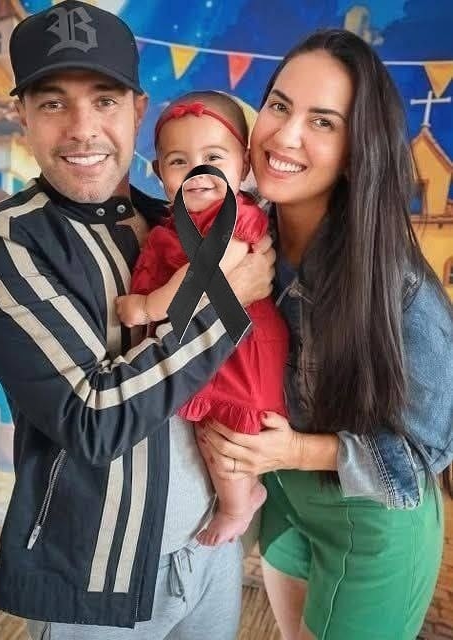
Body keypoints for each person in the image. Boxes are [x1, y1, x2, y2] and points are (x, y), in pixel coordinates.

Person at [0, 2, 275, 639]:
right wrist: (224, 303)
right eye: (53, 103)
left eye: (104, 100)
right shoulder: (8, 241)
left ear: (137, 110)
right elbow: (93, 419)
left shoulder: (172, 222)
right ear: (23, 116)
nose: (82, 129)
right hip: (99, 573)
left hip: (208, 550)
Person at [200, 29, 453, 640]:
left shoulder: (399, 288)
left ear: (355, 151)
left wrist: (292, 450)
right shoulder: (241, 232)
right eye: (280, 105)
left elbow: (423, 456)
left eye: (323, 122)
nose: (285, 136)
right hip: (285, 499)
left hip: (373, 521)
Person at [115, 91, 289, 546]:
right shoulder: (173, 223)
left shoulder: (236, 217)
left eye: (213, 157)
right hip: (213, 344)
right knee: (206, 430)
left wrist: (148, 307)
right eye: (179, 161)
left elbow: (202, 271)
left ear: (243, 165)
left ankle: (239, 504)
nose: (198, 172)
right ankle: (235, 495)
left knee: (229, 435)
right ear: (159, 173)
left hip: (244, 348)